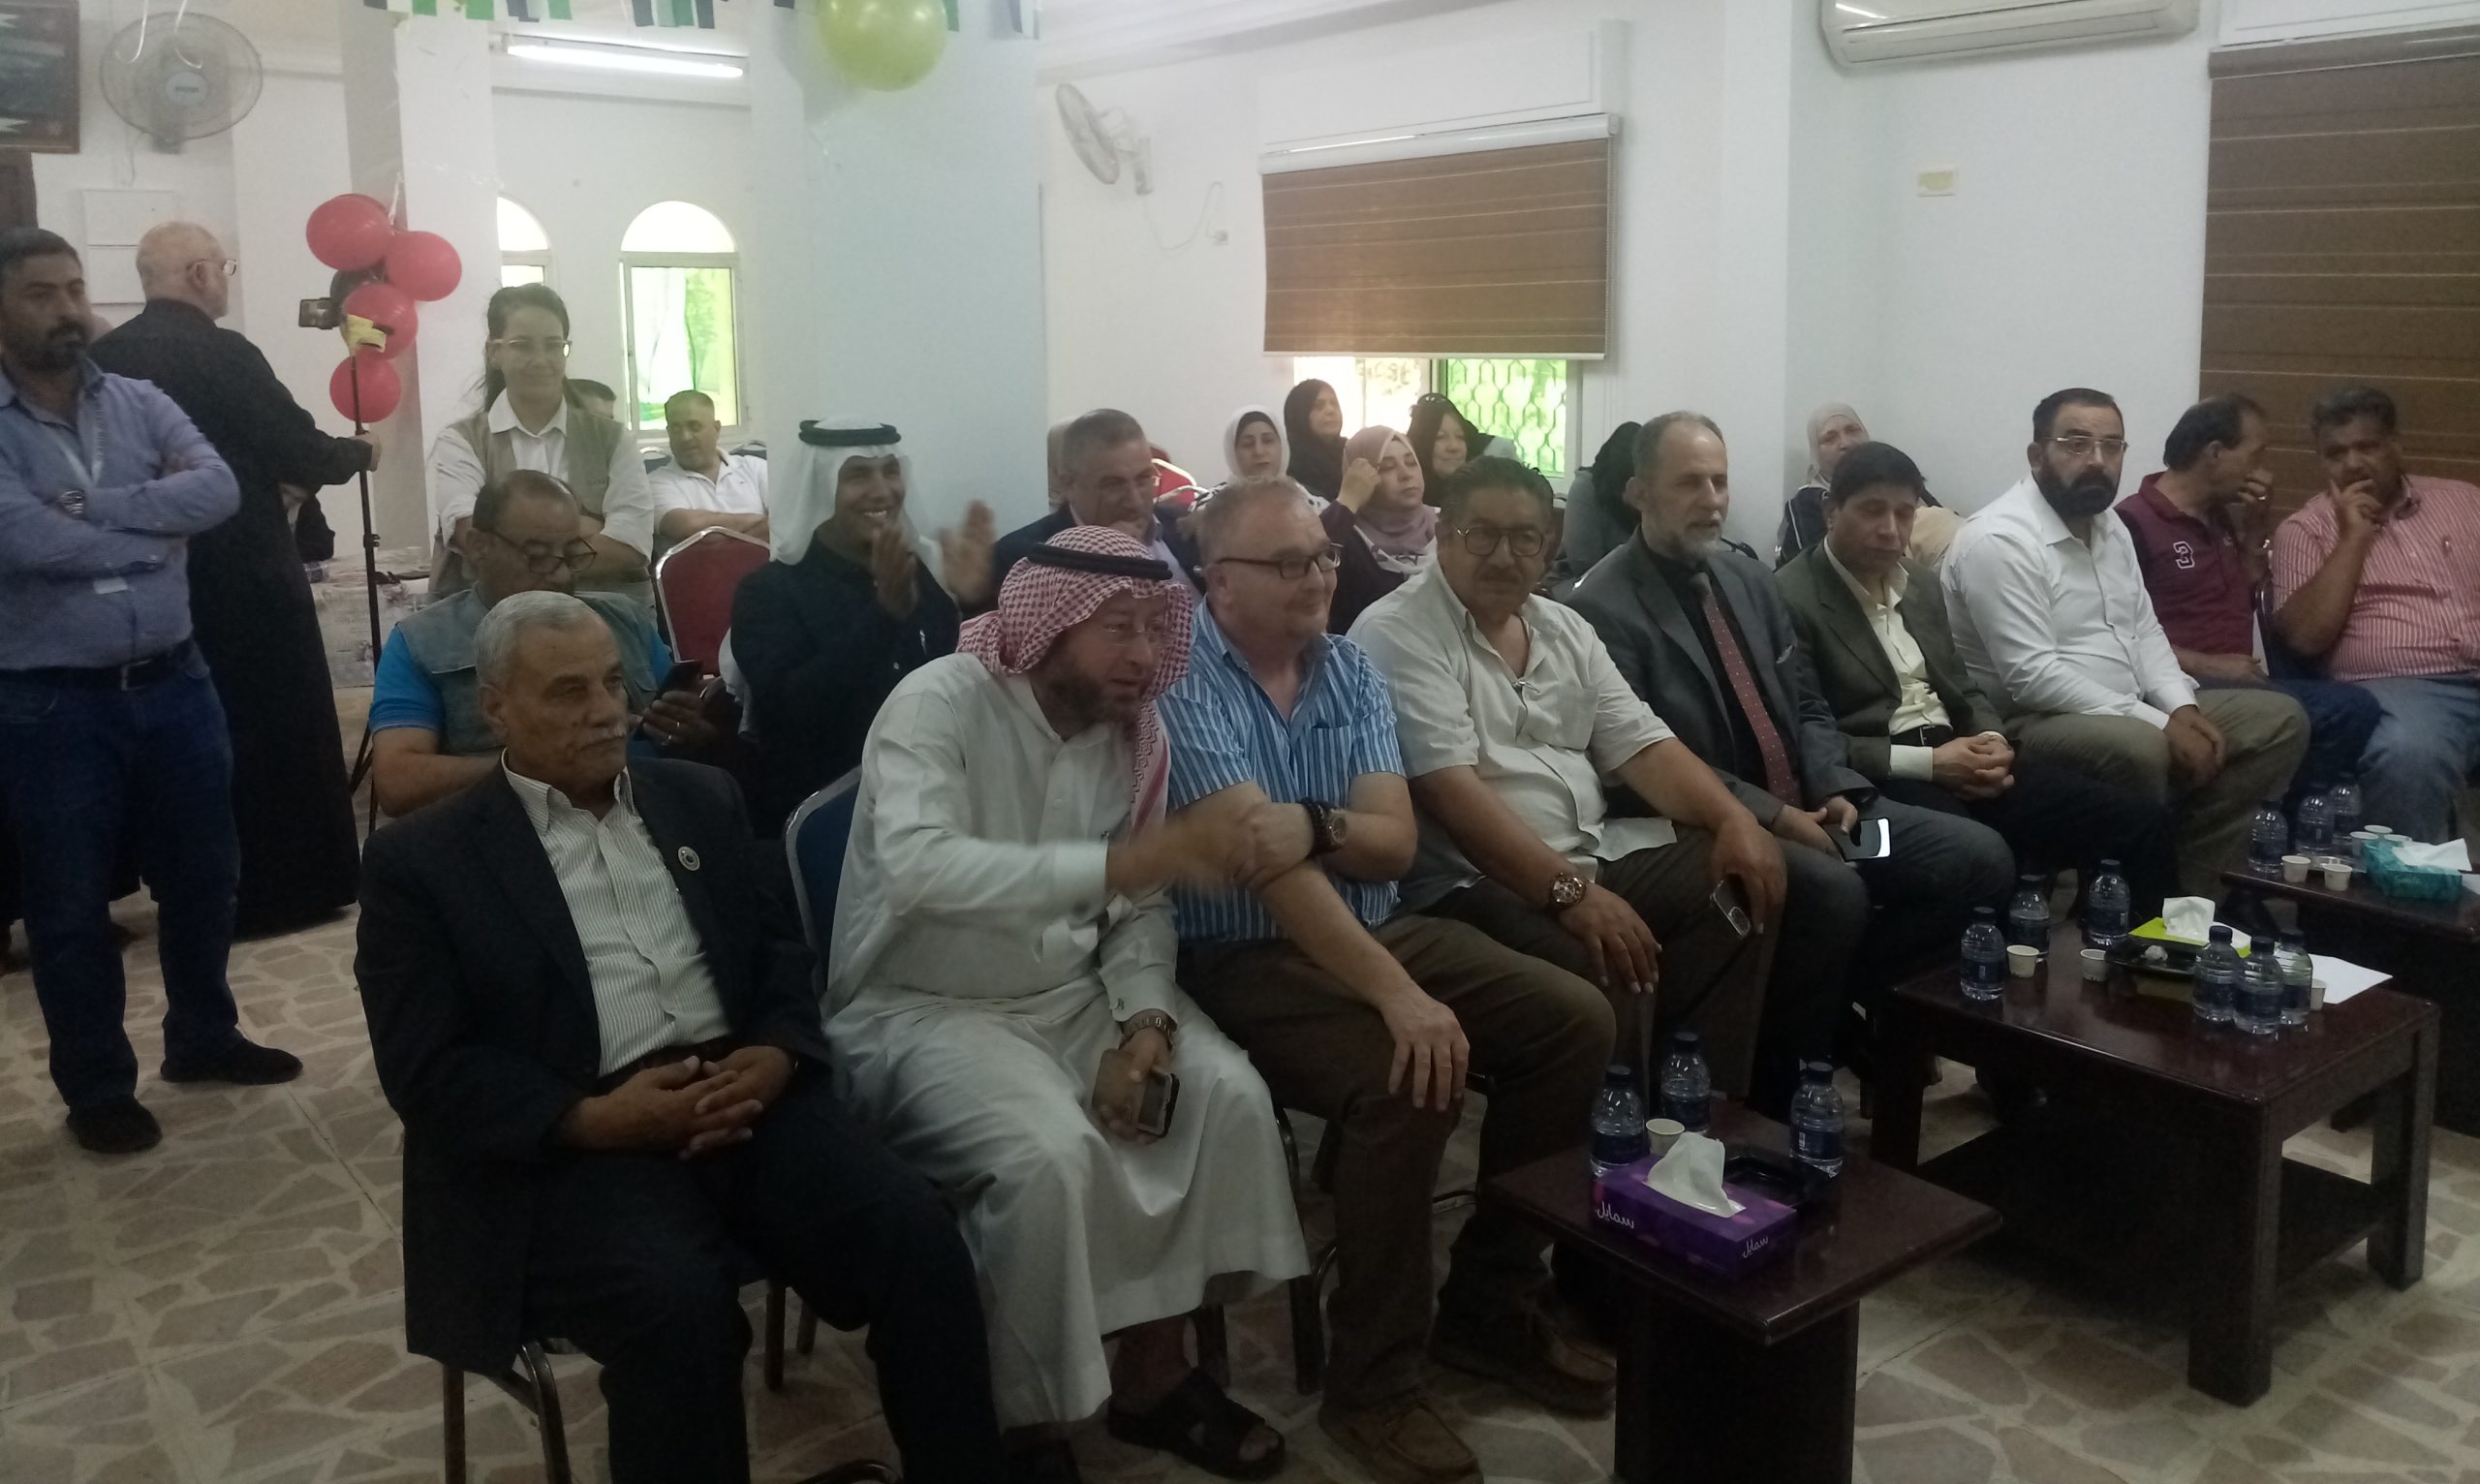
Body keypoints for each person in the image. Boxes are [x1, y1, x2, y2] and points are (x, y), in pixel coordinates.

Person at [355, 592, 1006, 1484]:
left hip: (741, 1095)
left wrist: (777, 1053)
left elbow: (779, 952)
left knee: (918, 1239)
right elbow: (426, 1068)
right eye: (568, 692)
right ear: (495, 707)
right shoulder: (424, 863)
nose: (605, 712)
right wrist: (589, 1120)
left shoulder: (697, 798)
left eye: (612, 684)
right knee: (679, 1309)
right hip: (578, 1140)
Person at [1161, 476, 1616, 1484]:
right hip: (1242, 957)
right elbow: (1270, 876)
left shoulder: (1348, 668)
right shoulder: (1180, 678)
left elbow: (1392, 842)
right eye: (1288, 563)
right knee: (1407, 1077)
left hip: (1378, 921)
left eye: (1324, 556)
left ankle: (1490, 1299)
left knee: (1574, 1021)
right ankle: (1372, 1383)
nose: (1318, 578)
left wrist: (1316, 824)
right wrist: (1399, 994)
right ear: (1218, 579)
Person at [832, 529, 1303, 1482]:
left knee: (1223, 1098)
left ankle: (1153, 1379)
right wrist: (1119, 865)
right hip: (924, 1009)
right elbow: (920, 871)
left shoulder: (1133, 733)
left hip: (1075, 995)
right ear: (1046, 624)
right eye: (1117, 629)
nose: (1143, 656)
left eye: (1155, 629)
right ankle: (1026, 1427)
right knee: (1048, 1158)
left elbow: (1139, 906)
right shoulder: (939, 702)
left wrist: (1147, 1022)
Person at [1567, 413, 1996, 1092]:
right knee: (1834, 891)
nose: (1711, 500)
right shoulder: (1601, 607)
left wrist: (1832, 785)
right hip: (1714, 826)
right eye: (1689, 483)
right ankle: (1785, 1084)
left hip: (1826, 815)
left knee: (1974, 859)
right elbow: (1650, 758)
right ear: (1638, 492)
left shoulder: (1747, 578)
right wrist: (1777, 816)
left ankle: (1850, 1010)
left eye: (1720, 482)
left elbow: (1808, 705)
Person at [1351, 457, 1794, 1097]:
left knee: (1743, 881)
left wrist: (1735, 819)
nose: (1503, 557)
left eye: (1523, 538)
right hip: (1472, 882)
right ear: (1443, 534)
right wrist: (1574, 896)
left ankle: (1695, 1105)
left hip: (1591, 850)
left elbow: (1645, 747)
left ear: (1549, 543)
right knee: (1613, 959)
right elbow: (1452, 795)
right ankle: (1612, 1139)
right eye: (1482, 535)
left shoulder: (1563, 626)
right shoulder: (1399, 631)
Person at [0, 228, 299, 1156]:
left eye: (74, 288)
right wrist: (150, 539)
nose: (67, 308)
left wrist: (95, 511)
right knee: (69, 904)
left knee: (207, 876)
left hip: (177, 681)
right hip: (52, 703)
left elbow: (216, 491)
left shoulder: (138, 398)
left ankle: (203, 1037)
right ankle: (97, 1086)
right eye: (41, 293)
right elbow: (19, 540)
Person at [85, 221, 369, 935]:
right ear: (200, 274)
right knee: (270, 729)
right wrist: (356, 452)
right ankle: (285, 890)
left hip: (150, 580)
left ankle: (195, 891)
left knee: (179, 741)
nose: (226, 283)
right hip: (245, 576)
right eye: (224, 269)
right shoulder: (224, 353)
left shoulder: (105, 359)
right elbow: (296, 447)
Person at [1780, 442, 2180, 920]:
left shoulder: (1920, 583)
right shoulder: (1789, 597)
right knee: (1983, 856)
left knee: (2138, 822)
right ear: (1831, 511)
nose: (1890, 530)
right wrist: (1932, 764)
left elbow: (1964, 686)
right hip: (1878, 780)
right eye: (1871, 511)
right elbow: (1808, 736)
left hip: (1960, 752)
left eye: (1904, 514)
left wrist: (1993, 740)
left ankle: (2147, 958)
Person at [1943, 388, 2309, 894]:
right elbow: (2032, 678)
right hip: (2029, 721)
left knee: (2280, 720)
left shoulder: (2109, 524)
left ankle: (2189, 889)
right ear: (2036, 455)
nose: (2097, 460)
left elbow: (2144, 631)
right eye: (2076, 444)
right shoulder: (1999, 540)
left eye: (2112, 446)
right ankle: (2125, 901)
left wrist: (2181, 707)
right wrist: (2160, 723)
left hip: (2126, 704)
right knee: (2141, 748)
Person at [370, 470, 710, 818]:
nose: (561, 575)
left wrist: (689, 729)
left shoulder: (625, 619)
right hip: (511, 829)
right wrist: (534, 769)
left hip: (643, 817)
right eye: (537, 556)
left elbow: (684, 733)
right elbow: (398, 782)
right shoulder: (424, 641)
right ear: (479, 546)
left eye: (571, 555)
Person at [730, 421, 994, 832]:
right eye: (858, 475)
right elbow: (791, 714)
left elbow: (957, 686)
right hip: (830, 816)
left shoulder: (916, 573)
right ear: (820, 489)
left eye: (891, 471)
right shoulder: (769, 591)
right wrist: (883, 618)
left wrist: (976, 604)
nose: (882, 491)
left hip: (934, 796)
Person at [2119, 395, 2380, 804]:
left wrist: (2255, 528)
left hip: (2238, 676)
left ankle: (2275, 817)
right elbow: (2117, 635)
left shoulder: (2216, 514)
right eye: (2255, 456)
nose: (2261, 471)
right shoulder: (2131, 524)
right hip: (2181, 686)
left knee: (2332, 689)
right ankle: (2292, 822)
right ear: (2215, 454)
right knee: (2349, 707)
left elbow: (2246, 594)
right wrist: (2208, 664)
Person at [2271, 385, 2480, 841]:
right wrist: (2352, 539)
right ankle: (2401, 886)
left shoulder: (2466, 502)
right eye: (2335, 453)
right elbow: (2305, 639)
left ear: (2395, 445)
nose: (2352, 463)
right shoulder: (2305, 530)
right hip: (2403, 689)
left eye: (2366, 447)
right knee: (2407, 753)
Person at [427, 283, 656, 606]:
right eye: (522, 346)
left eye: (553, 345)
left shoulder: (614, 439)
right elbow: (471, 537)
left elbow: (631, 545)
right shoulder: (461, 441)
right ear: (494, 352)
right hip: (494, 619)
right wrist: (587, 529)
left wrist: (521, 547)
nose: (540, 360)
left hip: (602, 612)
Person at [992, 408, 1200, 597]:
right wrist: (1105, 560)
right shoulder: (1023, 557)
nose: (1135, 501)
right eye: (1113, 485)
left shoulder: (1186, 529)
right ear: (1069, 485)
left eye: (1143, 479)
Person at [1323, 425, 1438, 634]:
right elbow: (1312, 559)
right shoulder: (1347, 537)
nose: (1406, 474)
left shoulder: (1447, 525)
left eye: (1411, 463)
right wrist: (1348, 500)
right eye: (1386, 467)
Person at [648, 388, 769, 551]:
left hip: (765, 565)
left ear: (716, 429)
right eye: (676, 429)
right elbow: (686, 526)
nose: (685, 437)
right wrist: (761, 522)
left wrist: (712, 535)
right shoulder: (655, 482)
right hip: (694, 567)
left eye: (694, 426)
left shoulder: (755, 467)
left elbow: (785, 523)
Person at [1775, 402, 1869, 568]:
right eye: (1829, 438)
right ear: (1816, 452)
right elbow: (1825, 565)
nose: (1845, 443)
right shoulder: (1808, 502)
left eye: (1852, 430)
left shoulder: (1894, 485)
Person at [1552, 420, 1640, 585]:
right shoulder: (1585, 489)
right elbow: (1584, 563)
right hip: (1577, 581)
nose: (1635, 493)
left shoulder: (1654, 492)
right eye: (1627, 484)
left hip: (1635, 583)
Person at [1283, 377, 1346, 501]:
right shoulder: (1289, 465)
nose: (1330, 411)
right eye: (1318, 406)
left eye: (1334, 403)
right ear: (1299, 414)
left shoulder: (1352, 453)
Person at [1220, 404, 1287, 486]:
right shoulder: (1218, 495)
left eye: (1267, 441)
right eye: (1248, 444)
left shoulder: (1299, 493)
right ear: (1232, 452)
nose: (1259, 451)